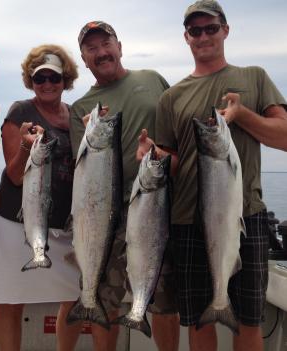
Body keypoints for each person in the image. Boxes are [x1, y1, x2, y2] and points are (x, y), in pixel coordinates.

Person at [137, 1, 287, 350]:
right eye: (195, 30)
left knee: (249, 321)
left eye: (211, 28)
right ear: (186, 37)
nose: (203, 36)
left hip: (245, 216)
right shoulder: (172, 97)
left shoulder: (254, 77)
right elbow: (172, 161)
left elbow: (283, 137)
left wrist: (241, 115)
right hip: (188, 221)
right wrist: (152, 156)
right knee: (199, 324)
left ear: (225, 30)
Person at [69, 21, 180, 351]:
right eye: (92, 48)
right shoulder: (80, 109)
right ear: (84, 59)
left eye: (106, 44)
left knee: (162, 302)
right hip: (107, 216)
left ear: (119, 46)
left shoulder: (152, 80)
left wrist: (160, 154)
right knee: (104, 300)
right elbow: (84, 172)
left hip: (157, 202)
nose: (101, 52)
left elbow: (177, 135)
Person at [0, 45, 81, 351]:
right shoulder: (21, 111)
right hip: (17, 220)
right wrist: (27, 147)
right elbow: (13, 175)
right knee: (11, 300)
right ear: (31, 82)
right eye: (40, 79)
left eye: (55, 77)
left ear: (66, 80)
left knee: (76, 296)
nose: (48, 84)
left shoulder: (76, 115)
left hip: (64, 222)